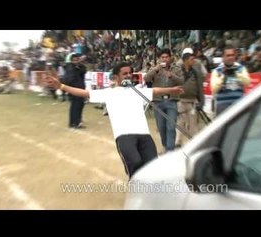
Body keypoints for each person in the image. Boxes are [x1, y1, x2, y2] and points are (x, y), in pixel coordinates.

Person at [46, 62, 184, 179]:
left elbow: (156, 90)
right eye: (124, 73)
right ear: (116, 77)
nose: (128, 75)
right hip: (124, 137)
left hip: (144, 136)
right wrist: (61, 86)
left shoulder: (137, 90)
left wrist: (172, 89)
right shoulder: (109, 93)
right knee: (135, 162)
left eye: (130, 73)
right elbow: (83, 93)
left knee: (152, 166)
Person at [144, 48, 184, 153]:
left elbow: (182, 81)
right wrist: (155, 70)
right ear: (159, 59)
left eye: (167, 57)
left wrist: (172, 76)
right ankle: (165, 146)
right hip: (158, 101)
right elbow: (146, 79)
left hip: (172, 100)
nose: (165, 59)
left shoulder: (176, 69)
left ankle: (170, 150)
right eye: (162, 57)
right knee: (161, 127)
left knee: (171, 126)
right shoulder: (155, 68)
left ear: (170, 58)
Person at [174, 49, 205, 148]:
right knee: (180, 123)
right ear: (186, 60)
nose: (193, 61)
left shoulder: (196, 72)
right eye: (191, 59)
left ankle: (193, 145)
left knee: (193, 125)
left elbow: (200, 87)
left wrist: (201, 102)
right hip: (180, 101)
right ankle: (178, 143)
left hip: (192, 101)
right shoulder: (177, 71)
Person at [211, 45, 250, 116]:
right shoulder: (217, 71)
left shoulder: (240, 68)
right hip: (223, 105)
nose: (230, 57)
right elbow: (213, 89)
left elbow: (247, 83)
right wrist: (223, 77)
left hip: (238, 104)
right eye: (228, 55)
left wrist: (237, 73)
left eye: (232, 55)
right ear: (223, 57)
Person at [65, 54, 87, 128]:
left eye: (77, 60)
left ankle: (77, 121)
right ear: (71, 61)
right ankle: (74, 122)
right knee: (75, 106)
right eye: (74, 60)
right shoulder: (70, 68)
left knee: (80, 105)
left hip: (80, 89)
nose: (76, 61)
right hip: (74, 90)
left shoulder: (79, 67)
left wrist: (79, 65)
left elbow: (84, 71)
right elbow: (69, 80)